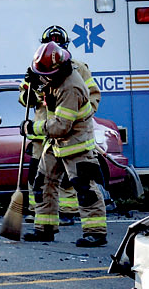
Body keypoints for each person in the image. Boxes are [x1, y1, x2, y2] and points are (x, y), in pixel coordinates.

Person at [20, 43, 107, 246]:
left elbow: (61, 127)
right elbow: (44, 99)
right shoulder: (55, 78)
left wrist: (32, 128)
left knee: (84, 188)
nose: (45, 78)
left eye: (46, 74)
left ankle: (96, 233)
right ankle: (44, 229)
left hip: (76, 143)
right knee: (43, 183)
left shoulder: (71, 87)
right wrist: (35, 85)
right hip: (56, 144)